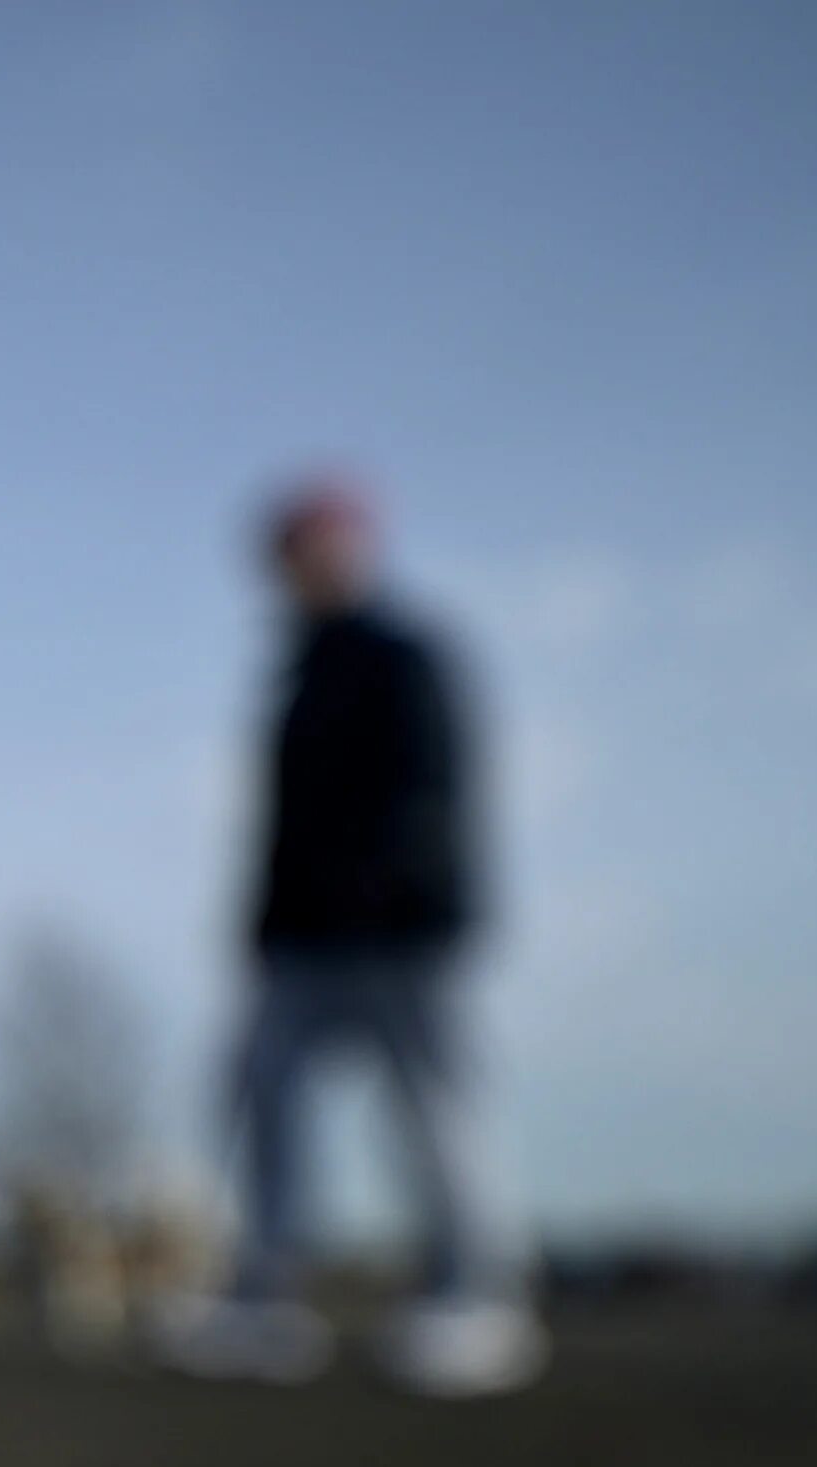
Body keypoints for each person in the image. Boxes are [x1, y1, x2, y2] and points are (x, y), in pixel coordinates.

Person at [156, 477, 545, 1395]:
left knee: (436, 1113)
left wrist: (414, 899)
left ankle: (476, 1301)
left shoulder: (403, 656)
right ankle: (264, 1301)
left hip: (402, 933)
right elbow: (281, 828)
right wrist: (259, 923)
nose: (302, 568)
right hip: (300, 942)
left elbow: (436, 792)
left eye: (317, 546)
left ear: (355, 549)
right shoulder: (297, 676)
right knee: (264, 1106)